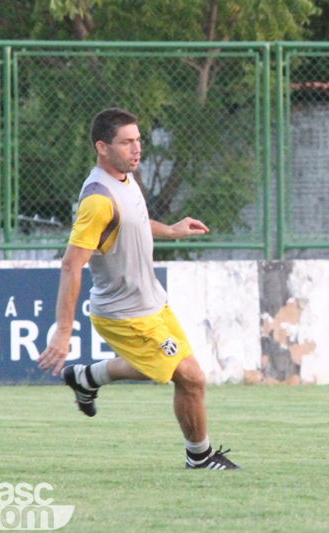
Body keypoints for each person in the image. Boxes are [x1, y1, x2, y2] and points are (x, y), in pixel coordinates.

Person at [38, 107, 239, 470]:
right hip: (125, 314)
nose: (137, 149)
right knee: (191, 376)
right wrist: (63, 332)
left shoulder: (125, 180)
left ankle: (87, 377)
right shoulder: (98, 199)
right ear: (102, 147)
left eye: (138, 140)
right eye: (126, 142)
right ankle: (201, 459)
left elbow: (132, 221)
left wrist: (172, 230)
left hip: (153, 304)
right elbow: (71, 264)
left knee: (170, 368)